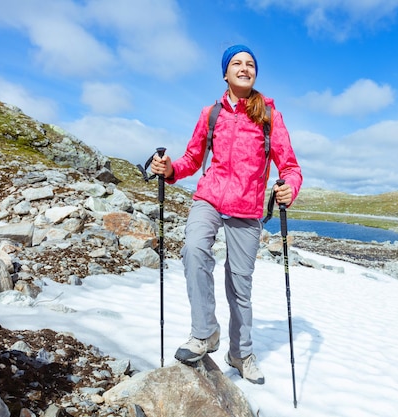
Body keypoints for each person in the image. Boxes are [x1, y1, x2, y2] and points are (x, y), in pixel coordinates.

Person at [150, 44, 302, 384]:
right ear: (225, 72)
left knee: (240, 286)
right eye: (237, 63)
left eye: (250, 64)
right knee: (194, 250)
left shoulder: (270, 116)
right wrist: (169, 167)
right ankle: (205, 333)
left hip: (247, 209)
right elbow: (191, 159)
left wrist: (290, 186)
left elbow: (289, 166)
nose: (245, 68)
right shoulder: (211, 113)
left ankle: (241, 353)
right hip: (210, 197)